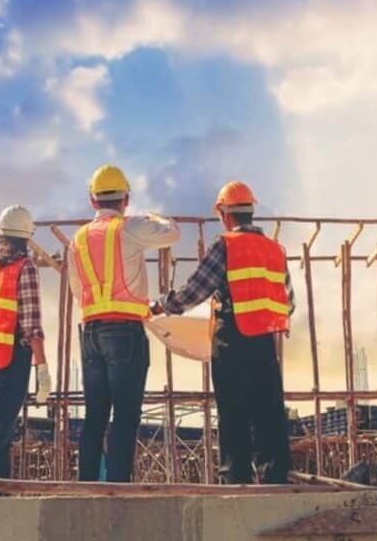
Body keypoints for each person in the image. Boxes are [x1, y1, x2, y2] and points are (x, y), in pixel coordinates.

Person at [151, 181, 294, 484]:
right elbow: (288, 302)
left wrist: (163, 305)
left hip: (232, 338)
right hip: (265, 340)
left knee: (233, 409)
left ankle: (236, 477)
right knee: (268, 408)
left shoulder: (225, 245)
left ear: (224, 214)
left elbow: (195, 290)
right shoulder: (275, 250)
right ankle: (275, 476)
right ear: (251, 212)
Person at [69, 165, 181, 482]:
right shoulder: (128, 228)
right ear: (126, 199)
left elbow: (78, 290)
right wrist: (156, 216)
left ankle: (86, 485)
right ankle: (118, 487)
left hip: (90, 331)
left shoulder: (76, 239)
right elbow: (173, 234)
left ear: (93, 202)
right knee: (125, 416)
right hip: (125, 331)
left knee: (95, 417)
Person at [0, 205, 51, 483]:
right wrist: (41, 366)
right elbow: (31, 324)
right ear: (27, 237)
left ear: (0, 234)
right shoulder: (25, 267)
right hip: (12, 357)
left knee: (4, 434)